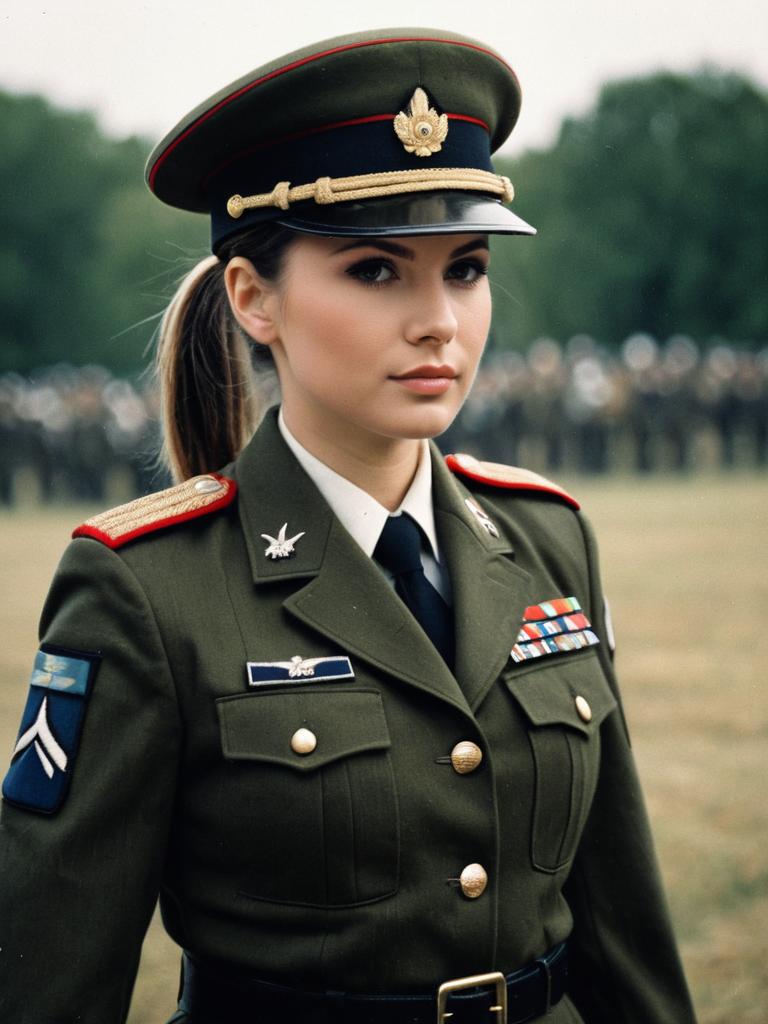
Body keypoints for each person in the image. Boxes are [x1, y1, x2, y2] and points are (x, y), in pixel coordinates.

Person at [0, 27, 696, 1024]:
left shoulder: (549, 540)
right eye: (376, 270)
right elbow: (48, 978)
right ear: (253, 298)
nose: (440, 322)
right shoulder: (148, 587)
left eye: (464, 267)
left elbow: (627, 932)